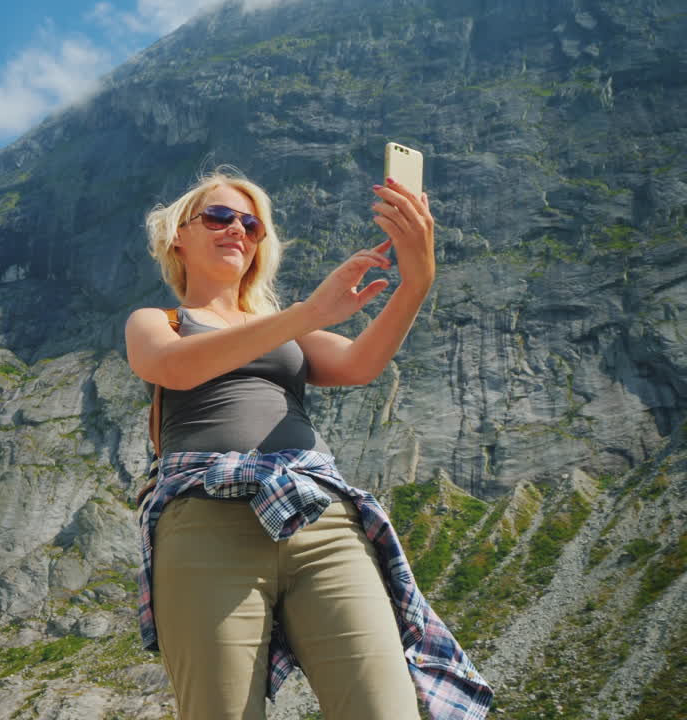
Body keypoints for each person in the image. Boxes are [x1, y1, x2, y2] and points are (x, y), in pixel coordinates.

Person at [125, 167, 492, 720]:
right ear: (178, 235)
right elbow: (170, 369)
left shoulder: (283, 326)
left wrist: (418, 279)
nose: (238, 231)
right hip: (206, 520)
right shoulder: (161, 320)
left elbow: (360, 363)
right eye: (220, 217)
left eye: (251, 225)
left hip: (320, 516)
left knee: (384, 708)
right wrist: (310, 313)